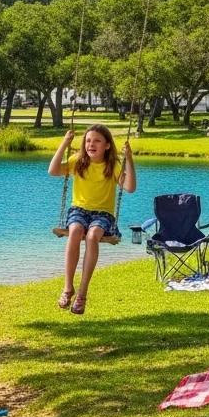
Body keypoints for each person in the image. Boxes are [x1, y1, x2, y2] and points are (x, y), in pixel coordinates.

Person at [49, 123, 136, 315]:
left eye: (97, 140)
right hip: (79, 210)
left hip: (103, 214)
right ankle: (68, 287)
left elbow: (129, 187)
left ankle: (82, 293)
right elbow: (53, 171)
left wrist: (129, 159)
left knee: (92, 236)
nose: (91, 144)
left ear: (106, 145)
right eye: (88, 140)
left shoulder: (112, 165)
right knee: (75, 231)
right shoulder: (78, 160)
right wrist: (65, 143)